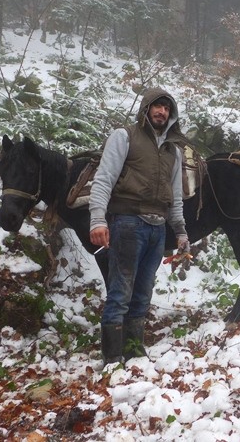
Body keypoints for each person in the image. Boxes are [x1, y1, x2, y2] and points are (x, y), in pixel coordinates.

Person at [89, 88, 189, 366]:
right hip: (127, 223)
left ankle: (134, 353)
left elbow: (175, 195)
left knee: (143, 293)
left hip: (158, 230)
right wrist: (97, 219)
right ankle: (111, 359)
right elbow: (104, 178)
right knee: (120, 293)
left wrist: (180, 231)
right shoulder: (124, 136)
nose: (162, 112)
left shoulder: (173, 150)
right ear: (146, 108)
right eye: (157, 106)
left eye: (166, 108)